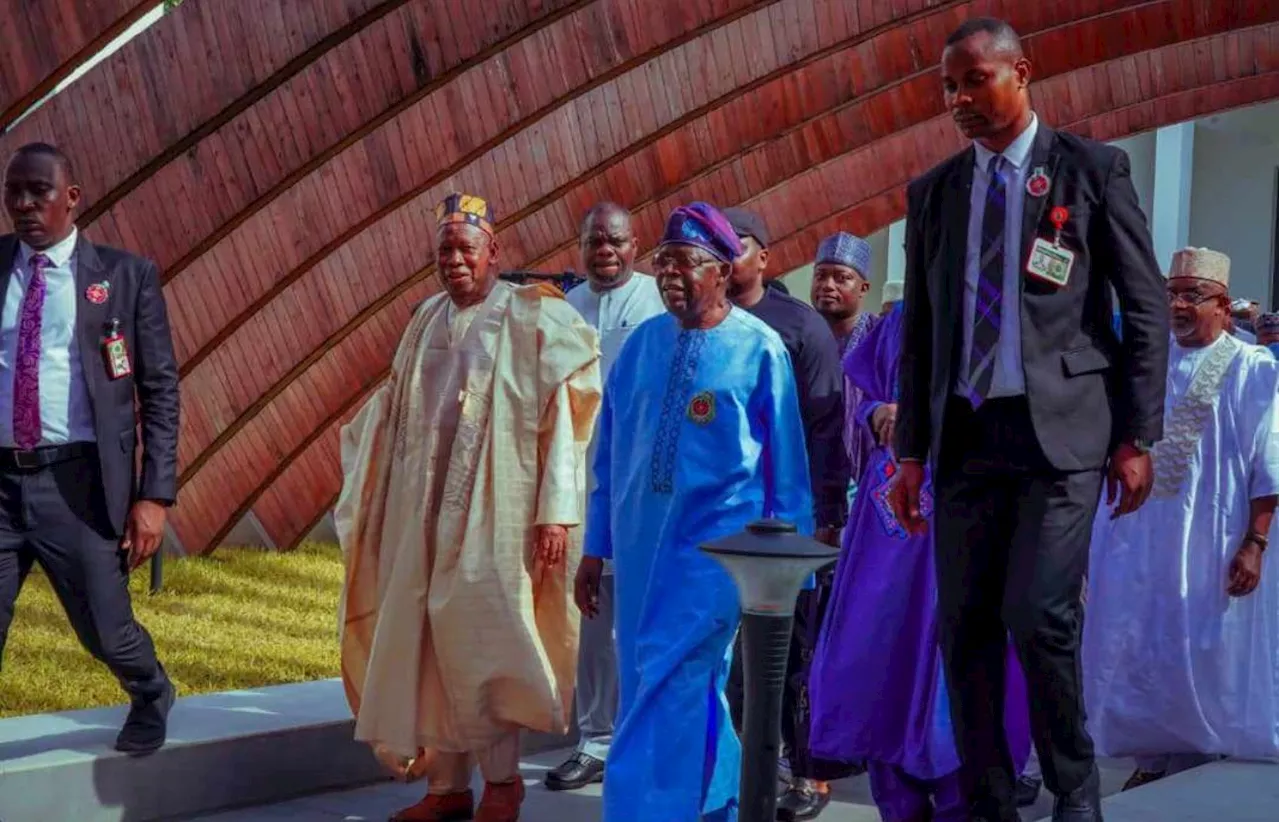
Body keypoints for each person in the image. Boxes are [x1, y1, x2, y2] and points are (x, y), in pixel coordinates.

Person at [891, 18, 1169, 822]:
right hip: (966, 439)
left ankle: (1073, 790)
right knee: (965, 624)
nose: (960, 100)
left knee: (1039, 614)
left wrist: (1136, 435)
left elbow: (1144, 311)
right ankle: (987, 799)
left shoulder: (1091, 171)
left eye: (975, 80)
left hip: (1064, 437)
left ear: (1022, 73)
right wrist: (910, 451)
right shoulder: (935, 193)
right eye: (949, 87)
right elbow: (923, 331)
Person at [335, 193, 602, 822]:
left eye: (467, 249)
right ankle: (448, 789)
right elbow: (395, 411)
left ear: (494, 254)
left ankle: (503, 785)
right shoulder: (425, 317)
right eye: (444, 251)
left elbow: (566, 421)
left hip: (498, 516)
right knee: (426, 642)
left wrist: (556, 513)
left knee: (485, 645)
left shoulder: (535, 317)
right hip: (420, 514)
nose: (455, 261)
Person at [576, 202, 813, 822]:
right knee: (662, 680)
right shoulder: (641, 346)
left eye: (686, 264)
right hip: (637, 548)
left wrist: (791, 573)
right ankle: (718, 799)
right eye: (664, 264)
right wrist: (593, 546)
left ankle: (640, 809)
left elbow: (786, 467)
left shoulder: (759, 349)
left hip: (717, 555)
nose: (670, 276)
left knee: (672, 679)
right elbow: (607, 455)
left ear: (720, 271)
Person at [811, 299, 1032, 822]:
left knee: (960, 647)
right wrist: (878, 411)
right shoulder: (902, 317)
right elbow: (865, 392)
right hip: (890, 514)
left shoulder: (1006, 314)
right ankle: (898, 801)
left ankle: (962, 795)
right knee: (881, 645)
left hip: (973, 497)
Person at [0, 143, 179, 754]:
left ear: (72, 198)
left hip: (76, 484)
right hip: (0, 480)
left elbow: (158, 390)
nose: (23, 205)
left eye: (38, 192)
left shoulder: (125, 278)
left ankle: (151, 690)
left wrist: (155, 495)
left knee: (104, 627)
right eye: (13, 192)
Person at [1083, 248, 1280, 789]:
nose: (1177, 304)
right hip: (1140, 535)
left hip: (1214, 537)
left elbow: (1270, 461)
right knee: (1142, 638)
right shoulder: (1146, 362)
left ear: (1222, 305)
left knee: (1207, 644)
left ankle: (1201, 761)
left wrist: (1255, 542)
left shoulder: (1254, 367)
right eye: (1171, 292)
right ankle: (1156, 760)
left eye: (1191, 295)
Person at [720, 208, 853, 819]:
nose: (724, 255)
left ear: (765, 257)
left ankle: (806, 772)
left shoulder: (799, 327)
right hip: (718, 520)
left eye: (737, 244)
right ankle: (740, 772)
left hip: (785, 519)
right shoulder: (698, 322)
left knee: (791, 652)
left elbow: (825, 429)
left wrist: (827, 512)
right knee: (727, 659)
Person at [546, 202, 665, 793]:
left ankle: (642, 738)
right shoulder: (568, 309)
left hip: (644, 483)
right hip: (581, 484)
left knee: (643, 616)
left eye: (615, 241)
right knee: (592, 617)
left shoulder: (657, 303)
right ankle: (593, 740)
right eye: (594, 241)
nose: (604, 252)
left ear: (635, 245)